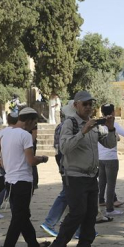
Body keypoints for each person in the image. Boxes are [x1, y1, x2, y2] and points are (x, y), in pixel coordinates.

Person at [45, 91, 117, 247]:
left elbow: (109, 144)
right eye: (85, 104)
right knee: (77, 212)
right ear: (76, 105)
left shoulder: (94, 125)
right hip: (75, 176)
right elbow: (65, 147)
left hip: (91, 175)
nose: (88, 107)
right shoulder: (70, 124)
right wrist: (83, 132)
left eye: (91, 104)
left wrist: (111, 128)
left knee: (91, 213)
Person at [0, 107, 50, 247]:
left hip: (10, 180)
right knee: (18, 219)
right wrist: (42, 158)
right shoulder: (25, 135)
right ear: (29, 121)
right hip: (22, 181)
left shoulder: (6, 133)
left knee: (22, 215)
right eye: (34, 124)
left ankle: (34, 246)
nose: (34, 127)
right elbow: (30, 160)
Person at [40, 101, 77, 236]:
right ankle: (51, 222)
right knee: (67, 194)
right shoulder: (69, 126)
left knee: (71, 195)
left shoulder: (60, 126)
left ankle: (75, 228)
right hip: (69, 163)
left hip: (63, 161)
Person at [98, 104, 124, 217]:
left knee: (102, 182)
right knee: (111, 185)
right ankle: (110, 208)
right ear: (113, 112)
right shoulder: (113, 124)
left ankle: (101, 200)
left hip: (100, 158)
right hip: (111, 158)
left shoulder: (99, 124)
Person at [0, 112, 20, 219]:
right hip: (8, 162)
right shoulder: (14, 132)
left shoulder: (4, 131)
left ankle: (13, 208)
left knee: (10, 186)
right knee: (10, 187)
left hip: (4, 161)